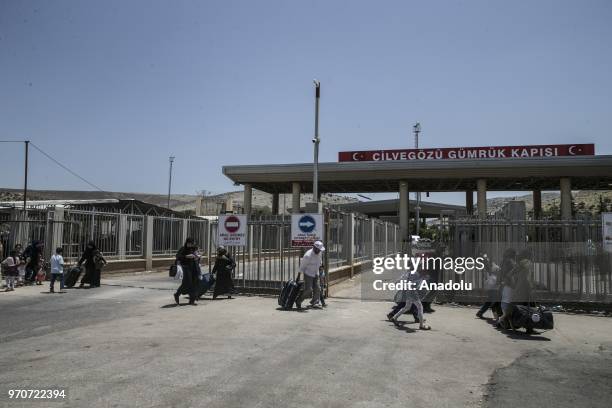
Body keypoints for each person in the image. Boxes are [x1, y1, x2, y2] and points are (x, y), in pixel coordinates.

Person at [296, 241, 325, 310]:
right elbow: (302, 266)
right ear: (314, 248)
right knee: (308, 290)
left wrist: (321, 267)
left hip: (316, 273)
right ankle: (298, 301)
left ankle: (315, 303)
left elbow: (320, 261)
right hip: (308, 273)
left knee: (317, 288)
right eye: (318, 250)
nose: (319, 251)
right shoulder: (307, 255)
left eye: (320, 250)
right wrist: (298, 276)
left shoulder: (319, 252)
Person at [173, 238, 199, 305]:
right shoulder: (183, 249)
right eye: (189, 243)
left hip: (194, 268)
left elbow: (196, 257)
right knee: (187, 283)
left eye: (192, 243)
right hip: (186, 267)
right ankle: (177, 294)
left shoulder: (194, 249)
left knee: (194, 283)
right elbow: (178, 256)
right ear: (186, 243)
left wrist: (197, 257)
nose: (190, 245)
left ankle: (192, 300)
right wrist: (186, 256)